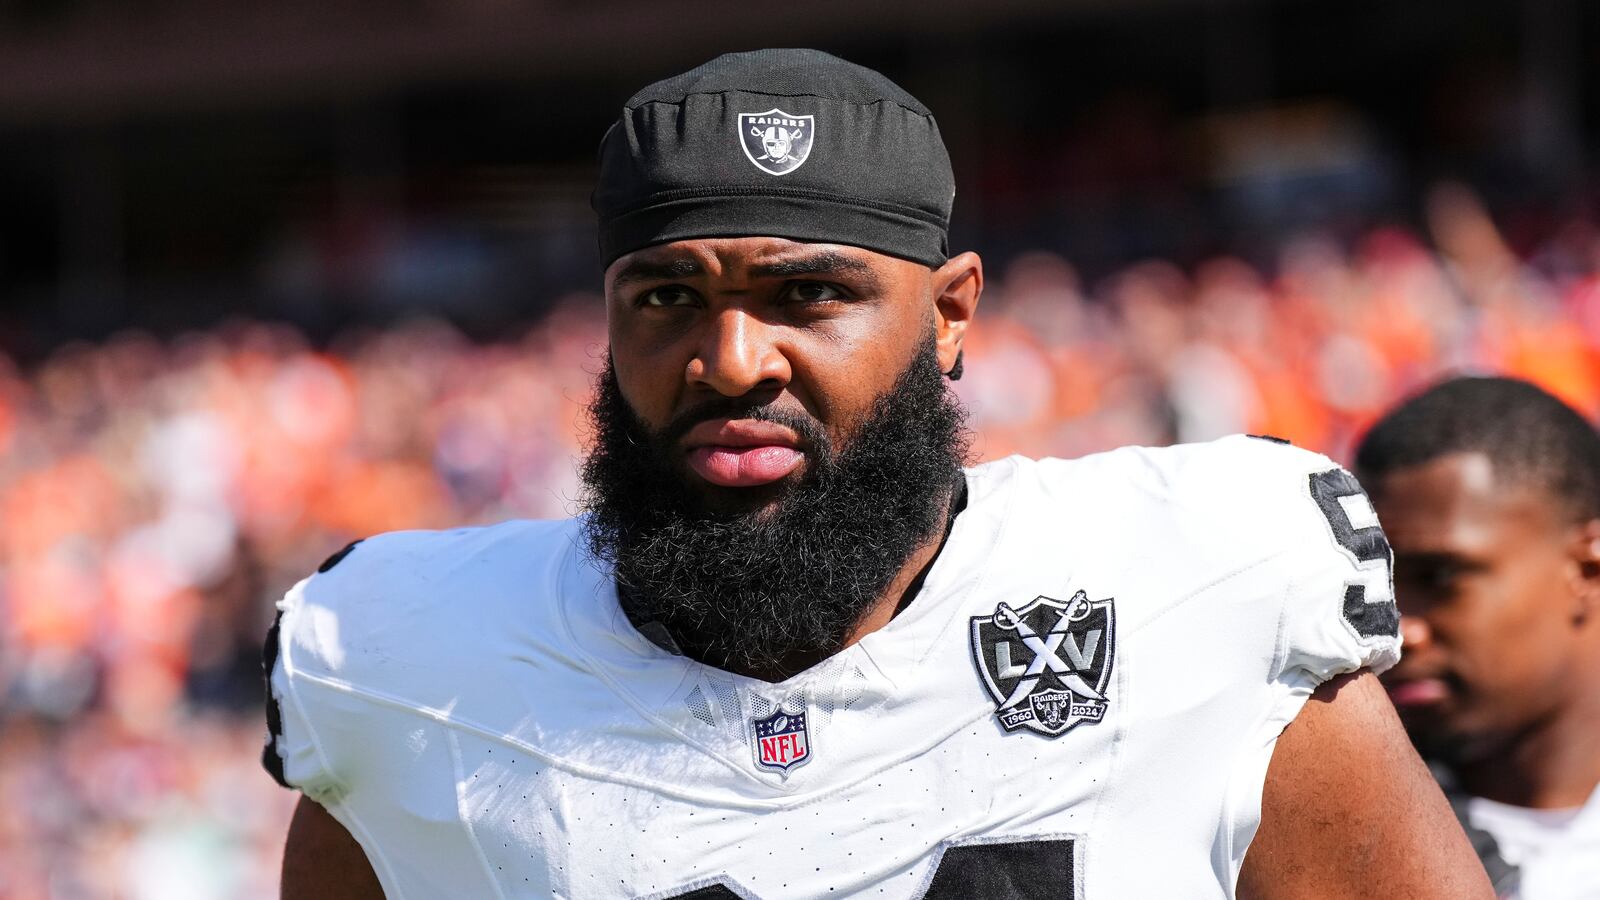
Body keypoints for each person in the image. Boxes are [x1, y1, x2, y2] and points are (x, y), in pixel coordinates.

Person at [265, 49, 1491, 898]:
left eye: (810, 294)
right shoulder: (398, 664)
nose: (731, 361)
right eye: (666, 298)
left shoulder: (1205, 579)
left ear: (951, 316)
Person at [1355, 376, 1600, 899]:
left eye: (1441, 578)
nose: (1397, 630)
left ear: (1586, 567)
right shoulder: (1317, 841)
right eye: (1377, 584)